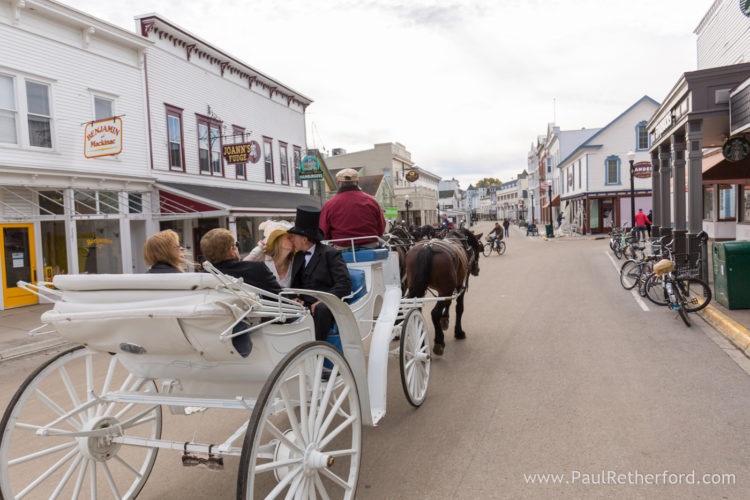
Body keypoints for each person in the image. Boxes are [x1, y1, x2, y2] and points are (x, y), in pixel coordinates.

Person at [288, 206, 352, 341]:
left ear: (304, 239)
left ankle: (317, 348)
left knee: (321, 309)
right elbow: (294, 284)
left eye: (294, 237)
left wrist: (323, 300)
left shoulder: (331, 254)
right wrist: (295, 298)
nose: (292, 240)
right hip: (305, 303)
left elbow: (344, 284)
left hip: (327, 304)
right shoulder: (298, 256)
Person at [200, 228, 282, 295]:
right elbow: (281, 298)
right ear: (231, 251)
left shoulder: (203, 277)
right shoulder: (257, 269)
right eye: (237, 244)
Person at [320, 168, 385, 250]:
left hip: (341, 249)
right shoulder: (372, 201)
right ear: (357, 182)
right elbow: (381, 229)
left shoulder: (329, 204)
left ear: (339, 183)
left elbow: (323, 232)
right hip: (370, 246)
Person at [244, 220, 295, 287]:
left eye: (294, 237)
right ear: (277, 240)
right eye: (289, 238)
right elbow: (244, 266)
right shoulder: (264, 257)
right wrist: (258, 249)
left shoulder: (294, 263)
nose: (293, 240)